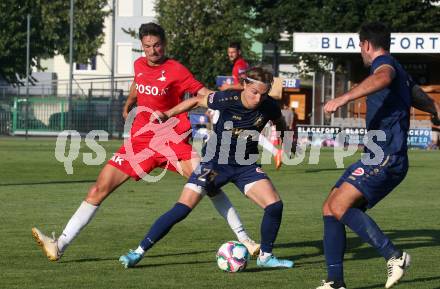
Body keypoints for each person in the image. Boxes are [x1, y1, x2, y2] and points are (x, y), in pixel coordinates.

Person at [31, 22, 260, 262]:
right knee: (98, 189)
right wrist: (129, 102)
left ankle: (244, 239)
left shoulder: (176, 70)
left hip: (173, 141)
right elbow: (138, 82)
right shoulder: (139, 64)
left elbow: (200, 92)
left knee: (209, 181)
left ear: (165, 44)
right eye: (147, 46)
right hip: (140, 142)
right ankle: (59, 245)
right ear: (142, 46)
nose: (152, 51)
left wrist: (231, 100)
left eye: (157, 45)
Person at [119, 67, 294, 269]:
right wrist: (167, 114)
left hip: (246, 165)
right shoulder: (226, 99)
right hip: (214, 164)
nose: (258, 99)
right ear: (245, 85)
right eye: (255, 92)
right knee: (182, 209)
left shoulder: (269, 105)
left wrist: (286, 142)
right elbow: (195, 100)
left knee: (275, 206)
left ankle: (266, 257)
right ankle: (138, 252)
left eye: (263, 94)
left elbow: (279, 121)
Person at [316, 22, 415, 289]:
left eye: (360, 46)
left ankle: (394, 256)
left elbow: (382, 77)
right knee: (330, 208)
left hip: (386, 156)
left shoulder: (384, 66)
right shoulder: (400, 69)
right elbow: (416, 93)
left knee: (339, 206)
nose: (360, 51)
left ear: (366, 45)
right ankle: (335, 281)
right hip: (377, 155)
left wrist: (343, 98)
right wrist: (434, 109)